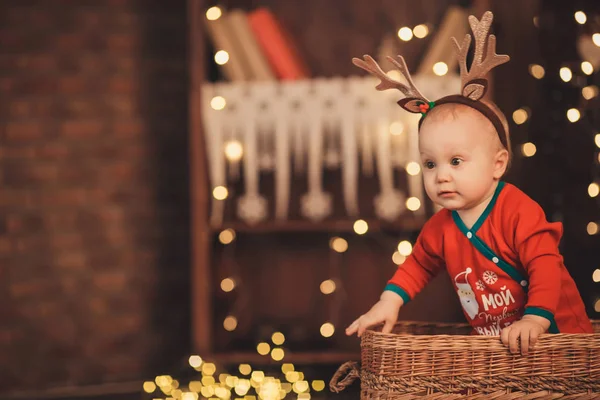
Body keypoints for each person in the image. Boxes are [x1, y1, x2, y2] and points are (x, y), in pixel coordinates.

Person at [345, 11, 593, 355]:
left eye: (456, 161)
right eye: (430, 164)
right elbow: (416, 265)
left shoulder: (518, 211)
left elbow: (545, 264)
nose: (441, 175)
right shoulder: (440, 227)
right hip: (496, 349)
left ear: (498, 164)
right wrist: (389, 301)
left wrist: (535, 319)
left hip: (556, 338)